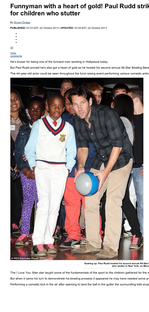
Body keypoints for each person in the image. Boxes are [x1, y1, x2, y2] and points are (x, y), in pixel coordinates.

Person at [68, 86, 133, 259]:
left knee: (112, 201)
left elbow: (118, 146)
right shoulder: (78, 121)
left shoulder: (107, 114)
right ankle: (92, 243)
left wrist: (104, 174)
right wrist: (81, 166)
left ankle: (111, 247)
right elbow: (82, 147)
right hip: (101, 157)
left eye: (82, 102)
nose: (79, 108)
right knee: (90, 199)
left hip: (121, 158)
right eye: (75, 104)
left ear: (90, 101)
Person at [25, 93, 76, 257]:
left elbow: (72, 151)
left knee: (55, 207)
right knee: (44, 205)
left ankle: (48, 239)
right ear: (47, 106)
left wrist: (67, 168)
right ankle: (37, 242)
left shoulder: (68, 127)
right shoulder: (39, 125)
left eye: (60, 106)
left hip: (60, 171)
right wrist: (34, 166)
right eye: (53, 105)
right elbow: (29, 148)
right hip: (42, 169)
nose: (57, 109)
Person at [59, 89, 96, 248]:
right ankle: (73, 234)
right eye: (69, 103)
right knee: (71, 203)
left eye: (78, 103)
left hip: (90, 167)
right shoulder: (63, 120)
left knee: (90, 204)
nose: (73, 106)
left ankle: (95, 235)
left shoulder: (92, 118)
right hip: (70, 168)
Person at [113, 94, 143, 249]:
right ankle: (133, 233)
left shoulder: (122, 121)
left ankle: (137, 233)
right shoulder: (127, 121)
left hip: (119, 167)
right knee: (120, 201)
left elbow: (120, 146)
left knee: (123, 201)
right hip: (121, 166)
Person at [14, 96, 45, 246]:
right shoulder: (23, 129)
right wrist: (24, 169)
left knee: (41, 202)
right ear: (27, 111)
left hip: (42, 172)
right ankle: (24, 232)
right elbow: (18, 151)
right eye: (32, 109)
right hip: (26, 172)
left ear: (43, 111)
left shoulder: (46, 129)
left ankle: (38, 233)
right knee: (27, 201)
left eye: (38, 109)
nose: (34, 111)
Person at [10, 89, 29, 234]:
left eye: (16, 98)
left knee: (21, 195)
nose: (13, 102)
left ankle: (19, 223)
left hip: (23, 162)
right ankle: (11, 221)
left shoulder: (28, 117)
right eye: (9, 99)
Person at [128, 87, 144, 237]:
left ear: (136, 99)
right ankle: (133, 232)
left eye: (129, 99)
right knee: (125, 200)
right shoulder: (128, 119)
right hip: (126, 166)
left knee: (142, 203)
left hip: (141, 168)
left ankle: (143, 235)